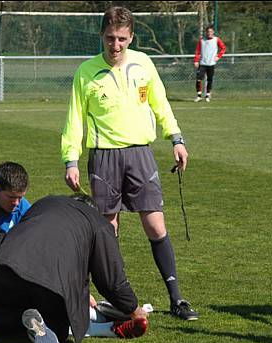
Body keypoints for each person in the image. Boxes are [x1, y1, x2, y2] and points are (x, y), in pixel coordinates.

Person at [61, 6, 199, 321]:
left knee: (156, 225)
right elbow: (75, 121)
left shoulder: (143, 63)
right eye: (110, 38)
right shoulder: (86, 72)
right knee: (108, 232)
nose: (116, 45)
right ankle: (121, 303)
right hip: (104, 156)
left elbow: (160, 103)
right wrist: (71, 159)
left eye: (122, 39)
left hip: (140, 154)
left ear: (131, 37)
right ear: (102, 36)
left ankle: (177, 299)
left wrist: (176, 138)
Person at [0, 195, 149, 343]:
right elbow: (111, 280)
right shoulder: (98, 223)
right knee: (60, 322)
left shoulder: (45, 202)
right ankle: (50, 327)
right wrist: (133, 308)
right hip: (53, 286)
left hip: (6, 267)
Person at [193, 25, 226, 103]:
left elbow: (223, 48)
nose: (209, 33)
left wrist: (218, 57)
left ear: (213, 32)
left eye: (211, 31)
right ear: (206, 32)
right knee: (198, 79)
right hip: (202, 63)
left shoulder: (216, 40)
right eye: (208, 32)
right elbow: (197, 51)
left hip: (211, 63)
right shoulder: (202, 40)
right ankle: (199, 95)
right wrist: (196, 61)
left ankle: (207, 95)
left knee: (210, 79)